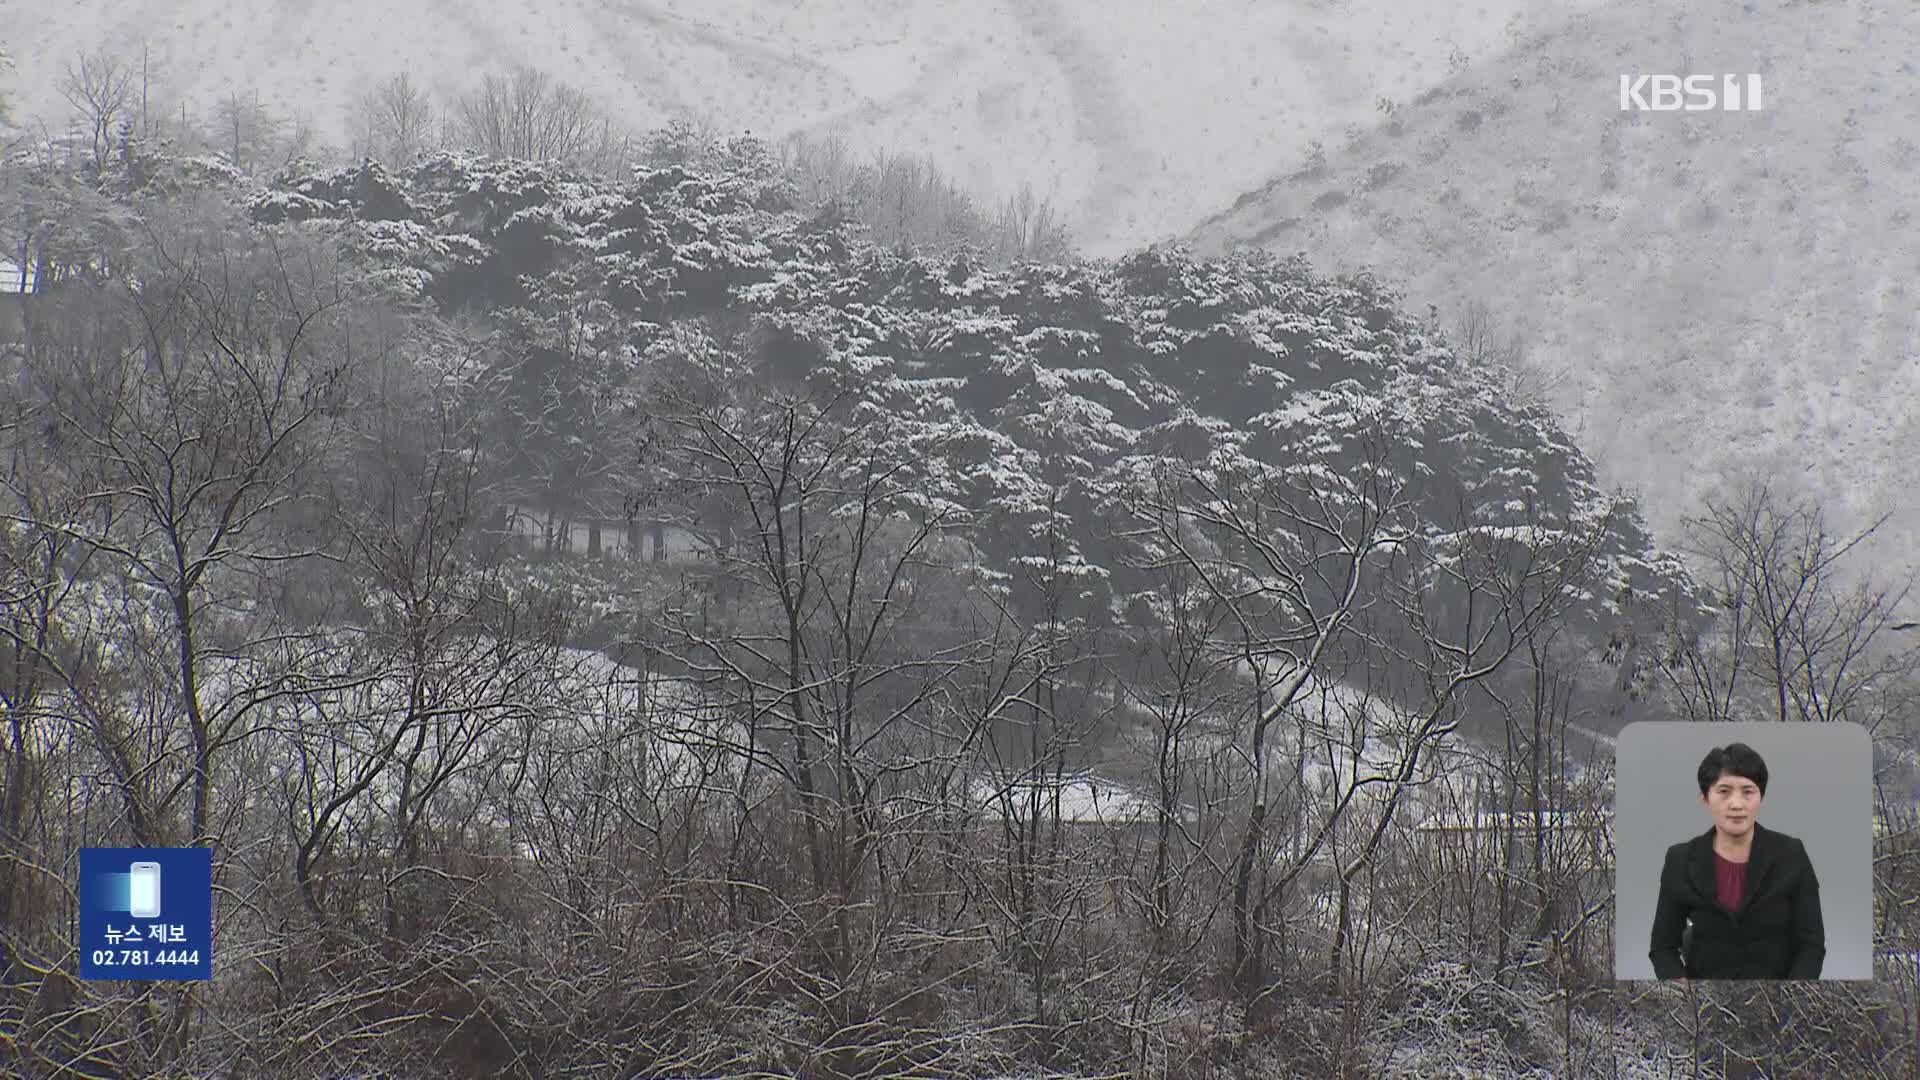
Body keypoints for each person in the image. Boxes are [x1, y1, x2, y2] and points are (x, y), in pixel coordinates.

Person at [1648, 742, 1825, 980]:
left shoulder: (1791, 855)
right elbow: (1663, 948)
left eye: (1747, 791)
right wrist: (1684, 992)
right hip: (1705, 1001)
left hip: (1777, 999)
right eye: (1724, 791)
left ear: (1760, 797)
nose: (1736, 804)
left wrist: (1792, 995)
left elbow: (1811, 946)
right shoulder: (1680, 859)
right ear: (1705, 799)